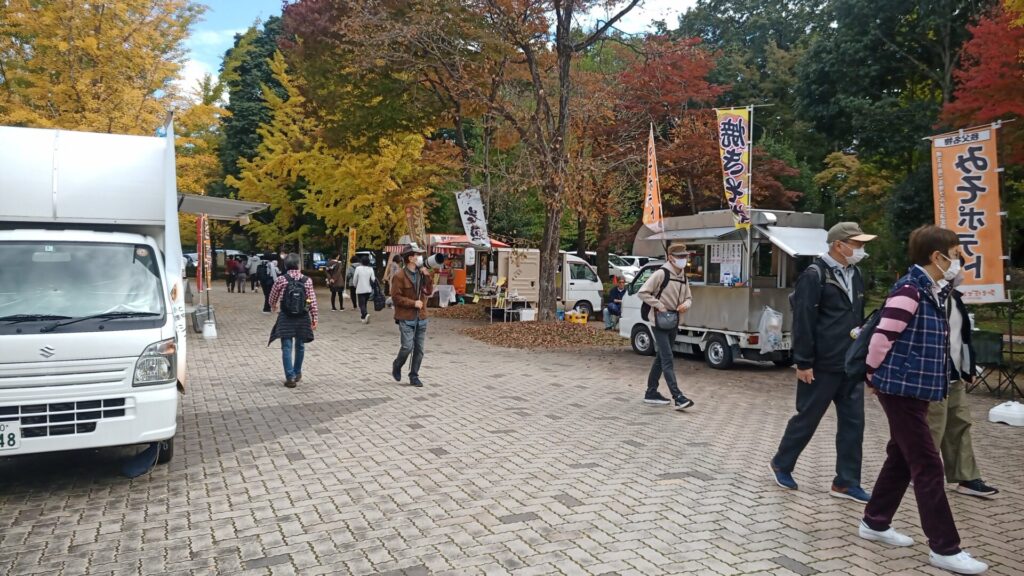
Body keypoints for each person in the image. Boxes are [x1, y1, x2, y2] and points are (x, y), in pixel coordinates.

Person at [858, 225, 988, 575]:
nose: (959, 261)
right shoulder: (910, 290)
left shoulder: (933, 290)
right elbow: (882, 337)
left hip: (914, 389)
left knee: (901, 456)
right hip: (901, 389)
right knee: (928, 465)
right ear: (937, 256)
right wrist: (872, 375)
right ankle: (945, 547)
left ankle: (875, 520)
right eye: (956, 255)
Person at [770, 222, 875, 504]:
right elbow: (803, 321)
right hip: (821, 364)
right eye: (857, 244)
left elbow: (857, 317)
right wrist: (803, 362)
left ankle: (846, 482)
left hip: (850, 363)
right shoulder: (814, 275)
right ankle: (782, 463)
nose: (861, 249)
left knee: (854, 424)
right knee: (808, 417)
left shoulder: (856, 274)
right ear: (839, 245)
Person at [927, 283, 999, 499]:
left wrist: (969, 366)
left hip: (955, 375)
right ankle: (920, 472)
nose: (957, 269)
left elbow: (962, 336)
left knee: (960, 423)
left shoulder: (954, 297)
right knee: (933, 427)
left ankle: (967, 477)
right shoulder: (922, 294)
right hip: (932, 376)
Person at [637, 242, 694, 411]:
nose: (683, 259)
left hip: (674, 320)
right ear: (671, 258)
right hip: (659, 320)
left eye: (685, 256)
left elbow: (689, 297)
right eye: (680, 256)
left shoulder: (683, 276)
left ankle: (651, 392)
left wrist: (686, 305)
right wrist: (659, 305)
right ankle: (678, 397)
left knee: (661, 357)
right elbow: (642, 292)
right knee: (667, 357)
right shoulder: (661, 273)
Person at [267, 253, 318, 388]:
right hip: (302, 317)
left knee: (286, 347)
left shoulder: (281, 279)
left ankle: (290, 377)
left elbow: (272, 297)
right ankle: (297, 372)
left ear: (286, 265)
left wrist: (273, 305)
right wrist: (314, 318)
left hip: (286, 316)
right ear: (298, 265)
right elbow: (312, 301)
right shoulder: (307, 280)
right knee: (300, 346)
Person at [390, 246, 434, 387]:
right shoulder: (399, 276)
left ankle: (414, 376)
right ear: (410, 258)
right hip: (406, 317)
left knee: (419, 350)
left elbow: (429, 291)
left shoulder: (422, 273)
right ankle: (397, 364)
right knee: (407, 347)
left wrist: (427, 275)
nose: (420, 257)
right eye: (417, 255)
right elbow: (395, 297)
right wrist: (413, 303)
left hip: (421, 317)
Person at [353, 255, 376, 323]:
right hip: (368, 289)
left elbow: (355, 278)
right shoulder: (370, 269)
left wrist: (355, 285)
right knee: (364, 303)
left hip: (360, 289)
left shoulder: (358, 268)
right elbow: (373, 279)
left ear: (361, 261)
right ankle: (363, 318)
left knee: (361, 304)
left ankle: (365, 314)